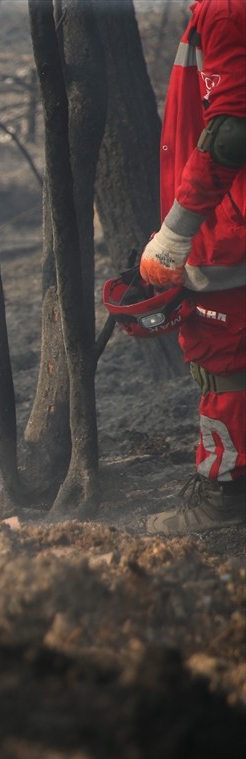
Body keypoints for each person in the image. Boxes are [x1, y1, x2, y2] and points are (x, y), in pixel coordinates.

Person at [137, 0, 245, 534]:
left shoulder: (227, 10)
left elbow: (230, 129)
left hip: (229, 231)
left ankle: (223, 498)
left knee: (220, 360)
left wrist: (176, 233)